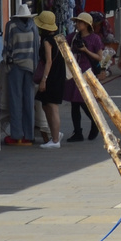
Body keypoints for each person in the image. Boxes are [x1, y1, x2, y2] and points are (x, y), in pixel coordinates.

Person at [2, 4, 39, 146]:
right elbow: (36, 48)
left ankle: (17, 134)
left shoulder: (11, 26)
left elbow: (7, 45)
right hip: (30, 66)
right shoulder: (34, 27)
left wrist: (7, 62)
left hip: (15, 66)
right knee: (29, 101)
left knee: (15, 101)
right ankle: (29, 135)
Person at [64, 13, 104, 142]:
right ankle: (78, 131)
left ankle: (95, 121)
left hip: (86, 71)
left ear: (87, 24)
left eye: (80, 22)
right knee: (74, 102)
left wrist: (86, 50)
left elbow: (99, 57)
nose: (77, 24)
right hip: (74, 71)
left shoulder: (94, 38)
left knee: (81, 100)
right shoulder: (73, 37)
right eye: (77, 22)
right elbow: (63, 43)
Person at [32, 11, 67, 148]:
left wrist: (44, 80)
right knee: (46, 105)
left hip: (52, 76)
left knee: (52, 107)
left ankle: (56, 140)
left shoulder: (47, 41)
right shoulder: (58, 38)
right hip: (58, 74)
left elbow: (48, 61)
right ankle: (55, 134)